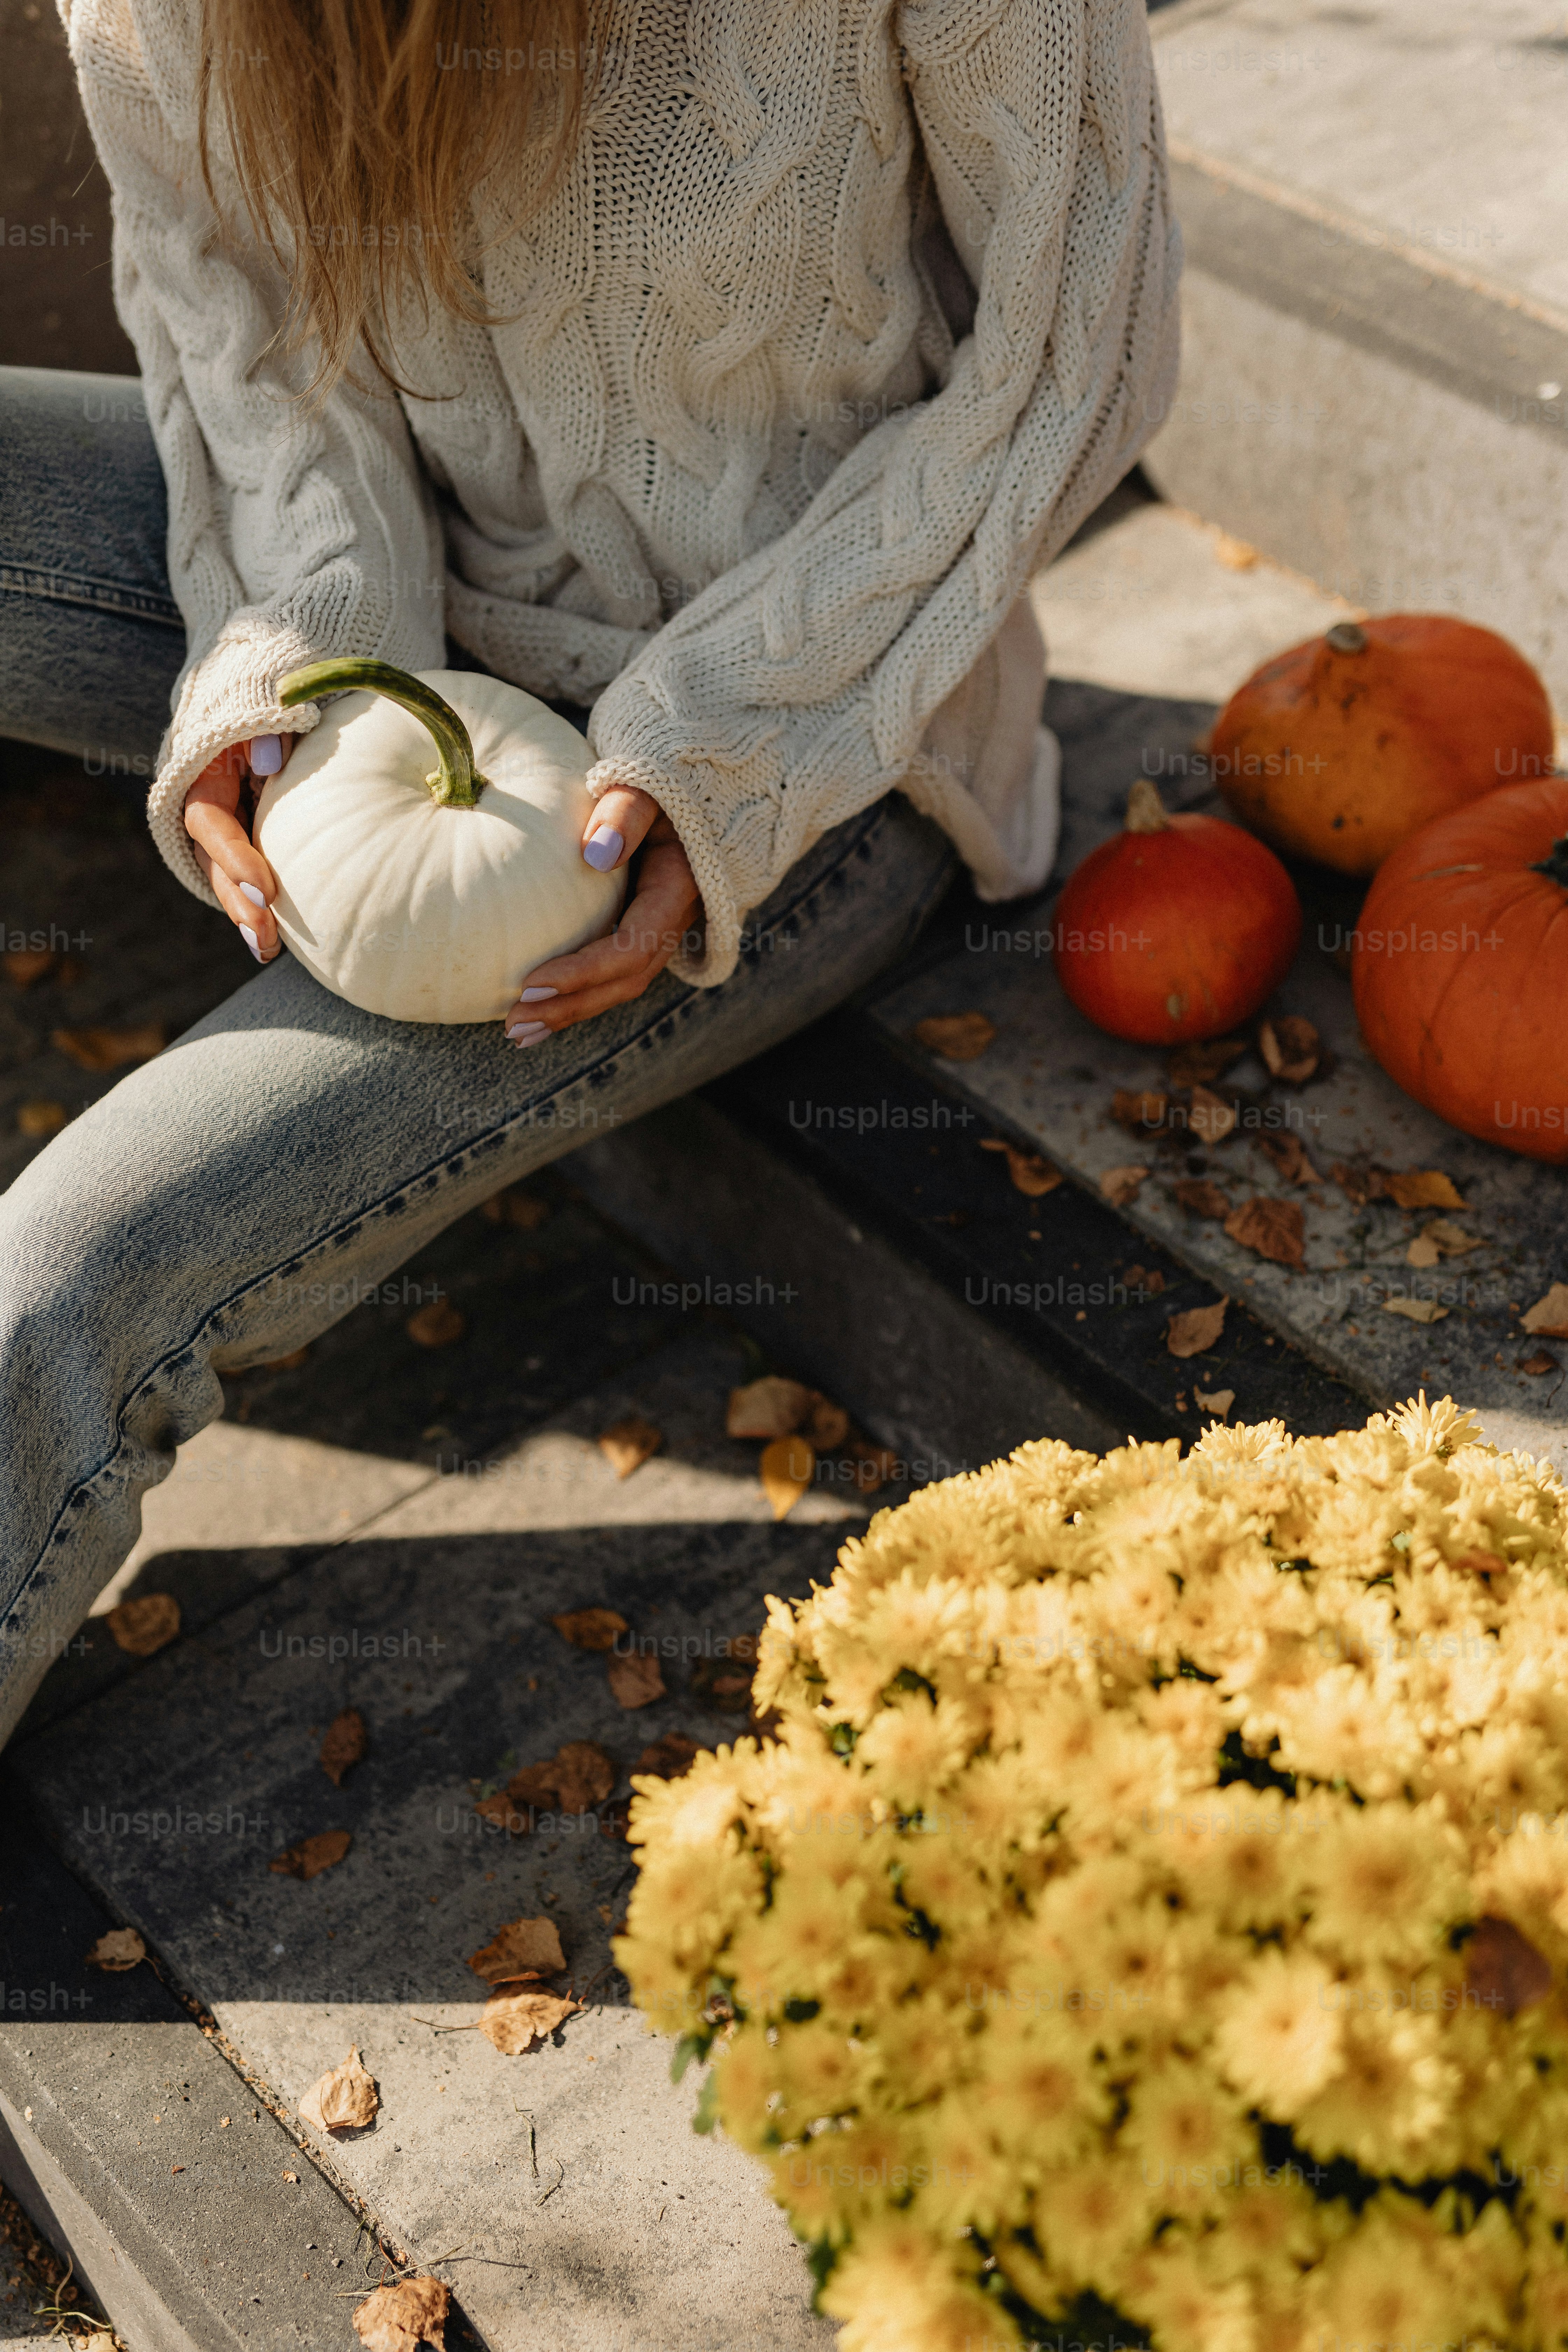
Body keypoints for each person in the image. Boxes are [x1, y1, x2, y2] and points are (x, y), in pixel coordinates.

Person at [0, 0, 1178, 1739]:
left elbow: (1079, 345)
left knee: (58, 1286)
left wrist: (734, 739)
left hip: (803, 737)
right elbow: (240, 333)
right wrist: (302, 658)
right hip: (401, 658)